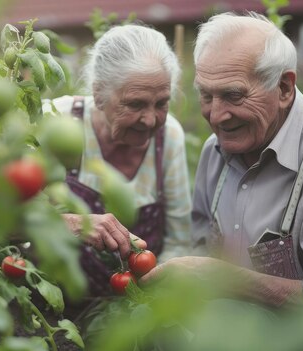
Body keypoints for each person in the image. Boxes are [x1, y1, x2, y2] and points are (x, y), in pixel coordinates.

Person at [141, 11, 303, 313]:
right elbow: (202, 250)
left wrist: (223, 278)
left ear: (284, 88)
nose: (215, 115)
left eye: (233, 95)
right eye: (206, 95)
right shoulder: (215, 153)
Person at [44, 24, 192, 298]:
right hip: (55, 311)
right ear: (99, 93)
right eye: (135, 104)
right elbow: (6, 222)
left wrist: (157, 289)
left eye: (161, 103)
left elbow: (179, 239)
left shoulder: (168, 136)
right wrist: (74, 223)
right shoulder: (57, 122)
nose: (150, 120)